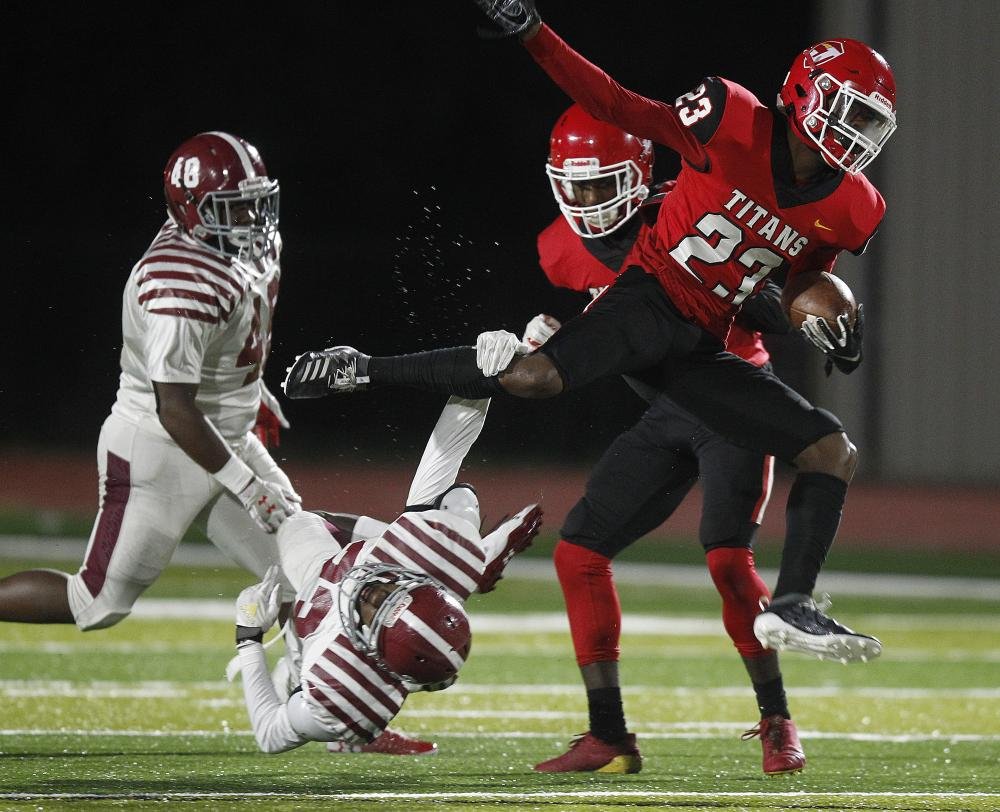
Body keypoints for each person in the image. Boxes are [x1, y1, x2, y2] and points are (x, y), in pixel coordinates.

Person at [285, 1, 892, 691]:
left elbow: (802, 281)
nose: (860, 134)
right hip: (651, 298)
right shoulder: (732, 116)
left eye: (872, 122)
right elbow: (617, 102)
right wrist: (533, 34)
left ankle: (794, 604)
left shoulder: (855, 206)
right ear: (806, 94)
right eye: (853, 111)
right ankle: (364, 367)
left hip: (704, 344)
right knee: (533, 376)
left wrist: (834, 327)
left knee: (830, 450)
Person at [471, 103, 808, 774]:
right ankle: (609, 734)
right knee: (578, 554)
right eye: (578, 185)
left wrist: (798, 304)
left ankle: (777, 719)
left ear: (643, 173)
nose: (591, 202)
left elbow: (763, 285)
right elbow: (620, 321)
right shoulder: (561, 249)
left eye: (605, 184)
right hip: (666, 413)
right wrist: (559, 340)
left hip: (736, 401)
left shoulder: (689, 209)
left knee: (726, 562)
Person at [0, 132, 300, 637]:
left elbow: (231, 338)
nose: (252, 221)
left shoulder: (245, 247)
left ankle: (313, 706)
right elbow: (175, 407)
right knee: (96, 603)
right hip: (160, 449)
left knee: (304, 573)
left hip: (222, 438)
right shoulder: (178, 278)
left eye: (254, 204)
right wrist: (249, 488)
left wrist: (248, 388)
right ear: (192, 211)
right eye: (233, 209)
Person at [230, 396, 543, 754]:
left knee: (293, 680)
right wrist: (482, 377)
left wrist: (249, 634)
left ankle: (343, 735)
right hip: (424, 576)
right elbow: (452, 441)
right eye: (388, 591)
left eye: (375, 605)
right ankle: (472, 566)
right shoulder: (423, 561)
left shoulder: (348, 691)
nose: (369, 588)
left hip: (328, 658)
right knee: (456, 504)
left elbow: (270, 735)